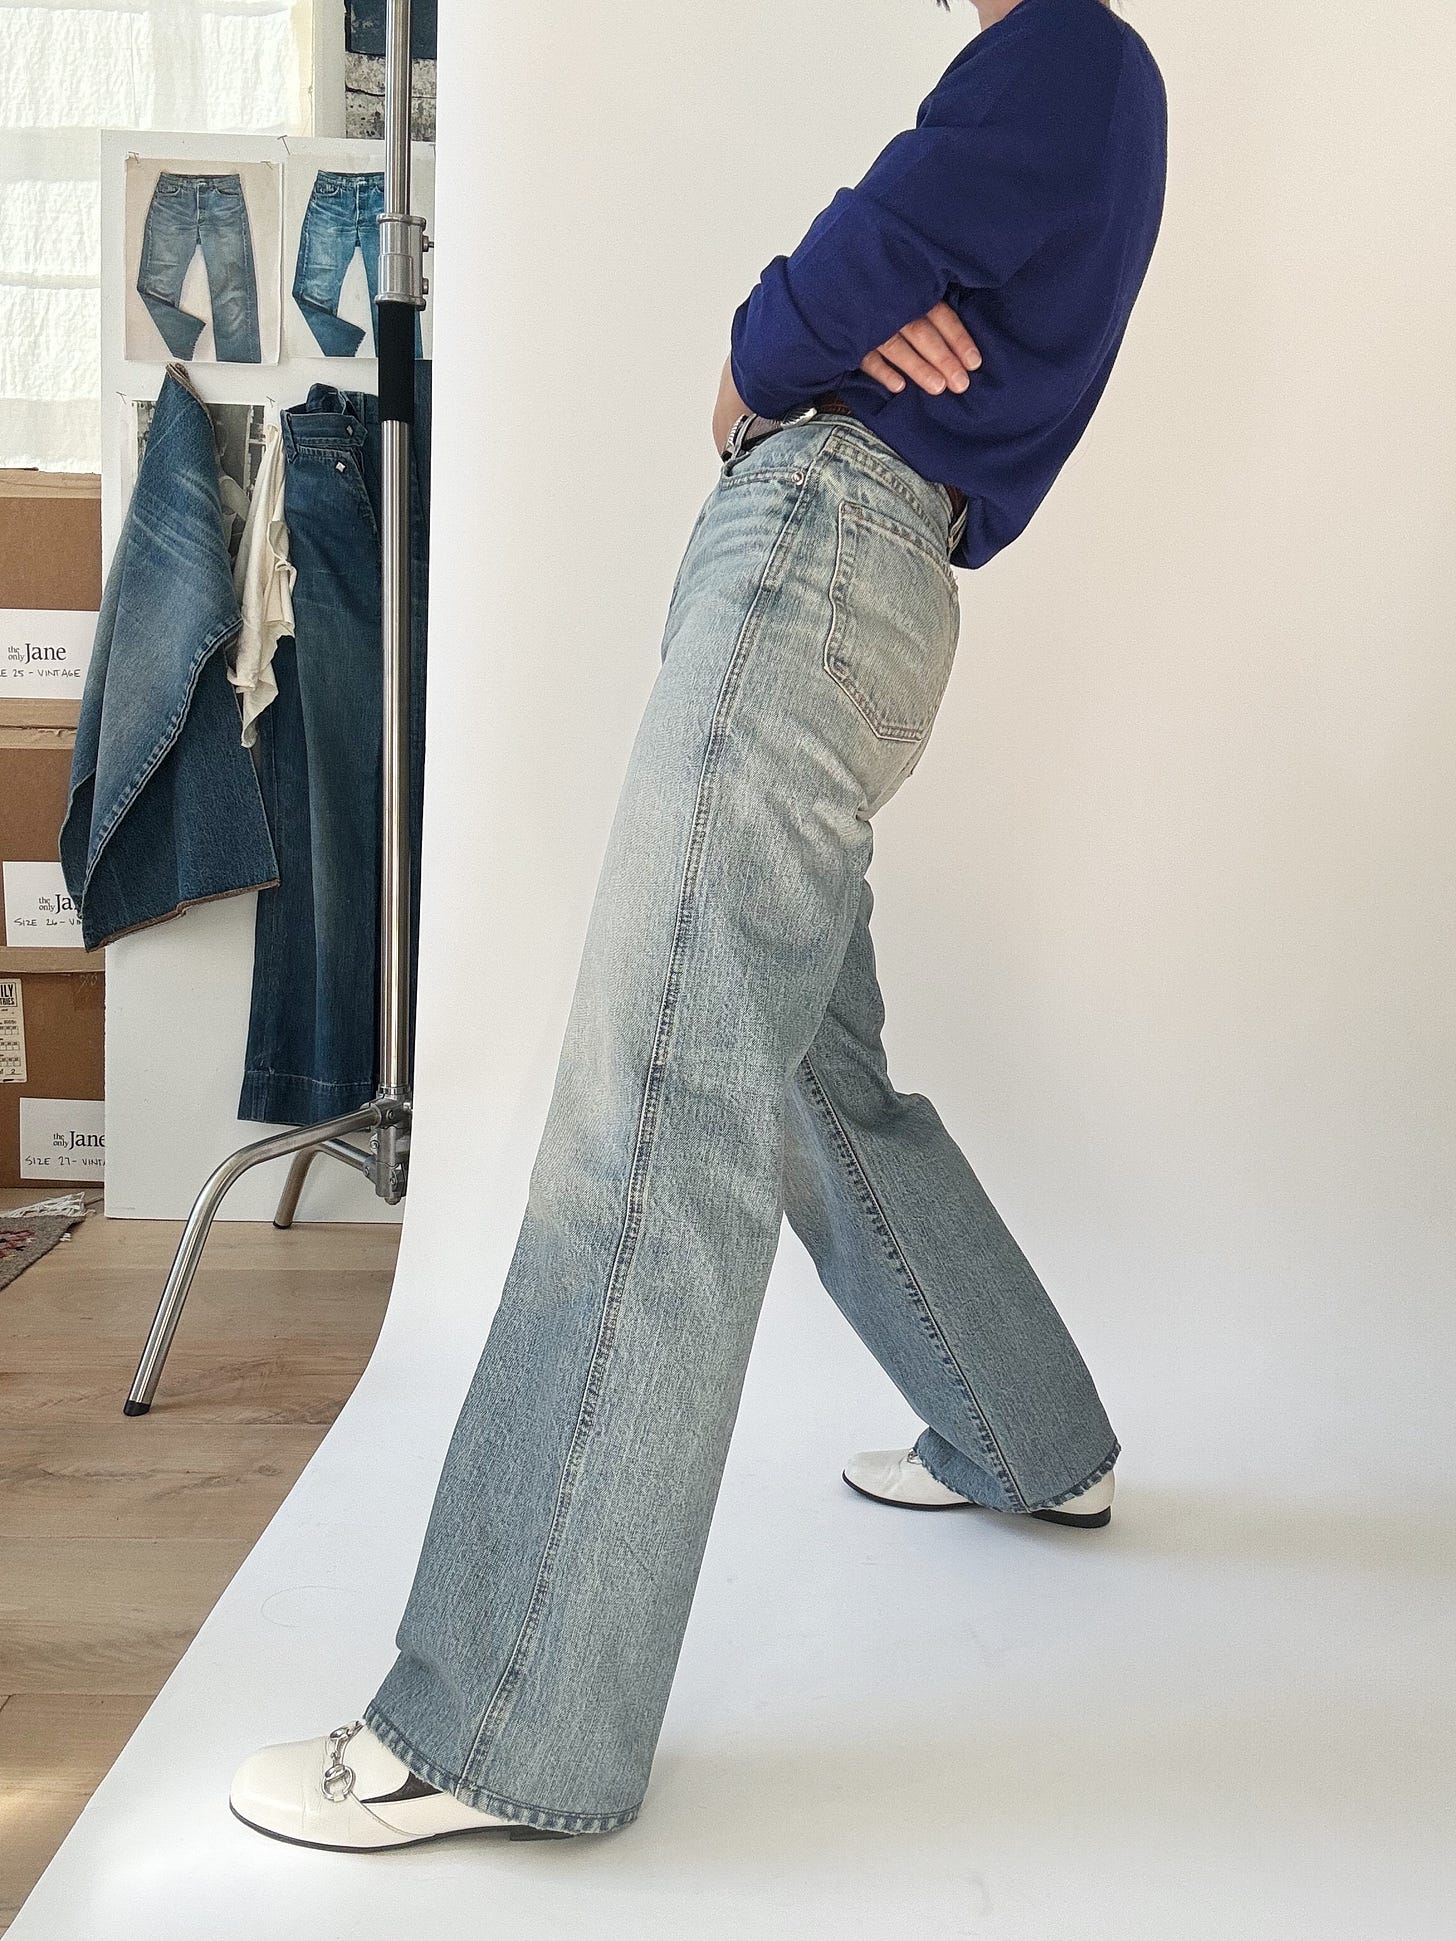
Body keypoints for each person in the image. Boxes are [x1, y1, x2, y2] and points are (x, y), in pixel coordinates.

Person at [231, 0, 1167, 1849]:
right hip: (866, 585)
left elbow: (853, 264)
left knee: (652, 1109)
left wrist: (764, 350)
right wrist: (822, 307)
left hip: (818, 563)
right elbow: (875, 259)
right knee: (814, 1075)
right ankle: (1027, 1430)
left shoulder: (1068, 48)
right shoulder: (1082, 86)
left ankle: (507, 1717)